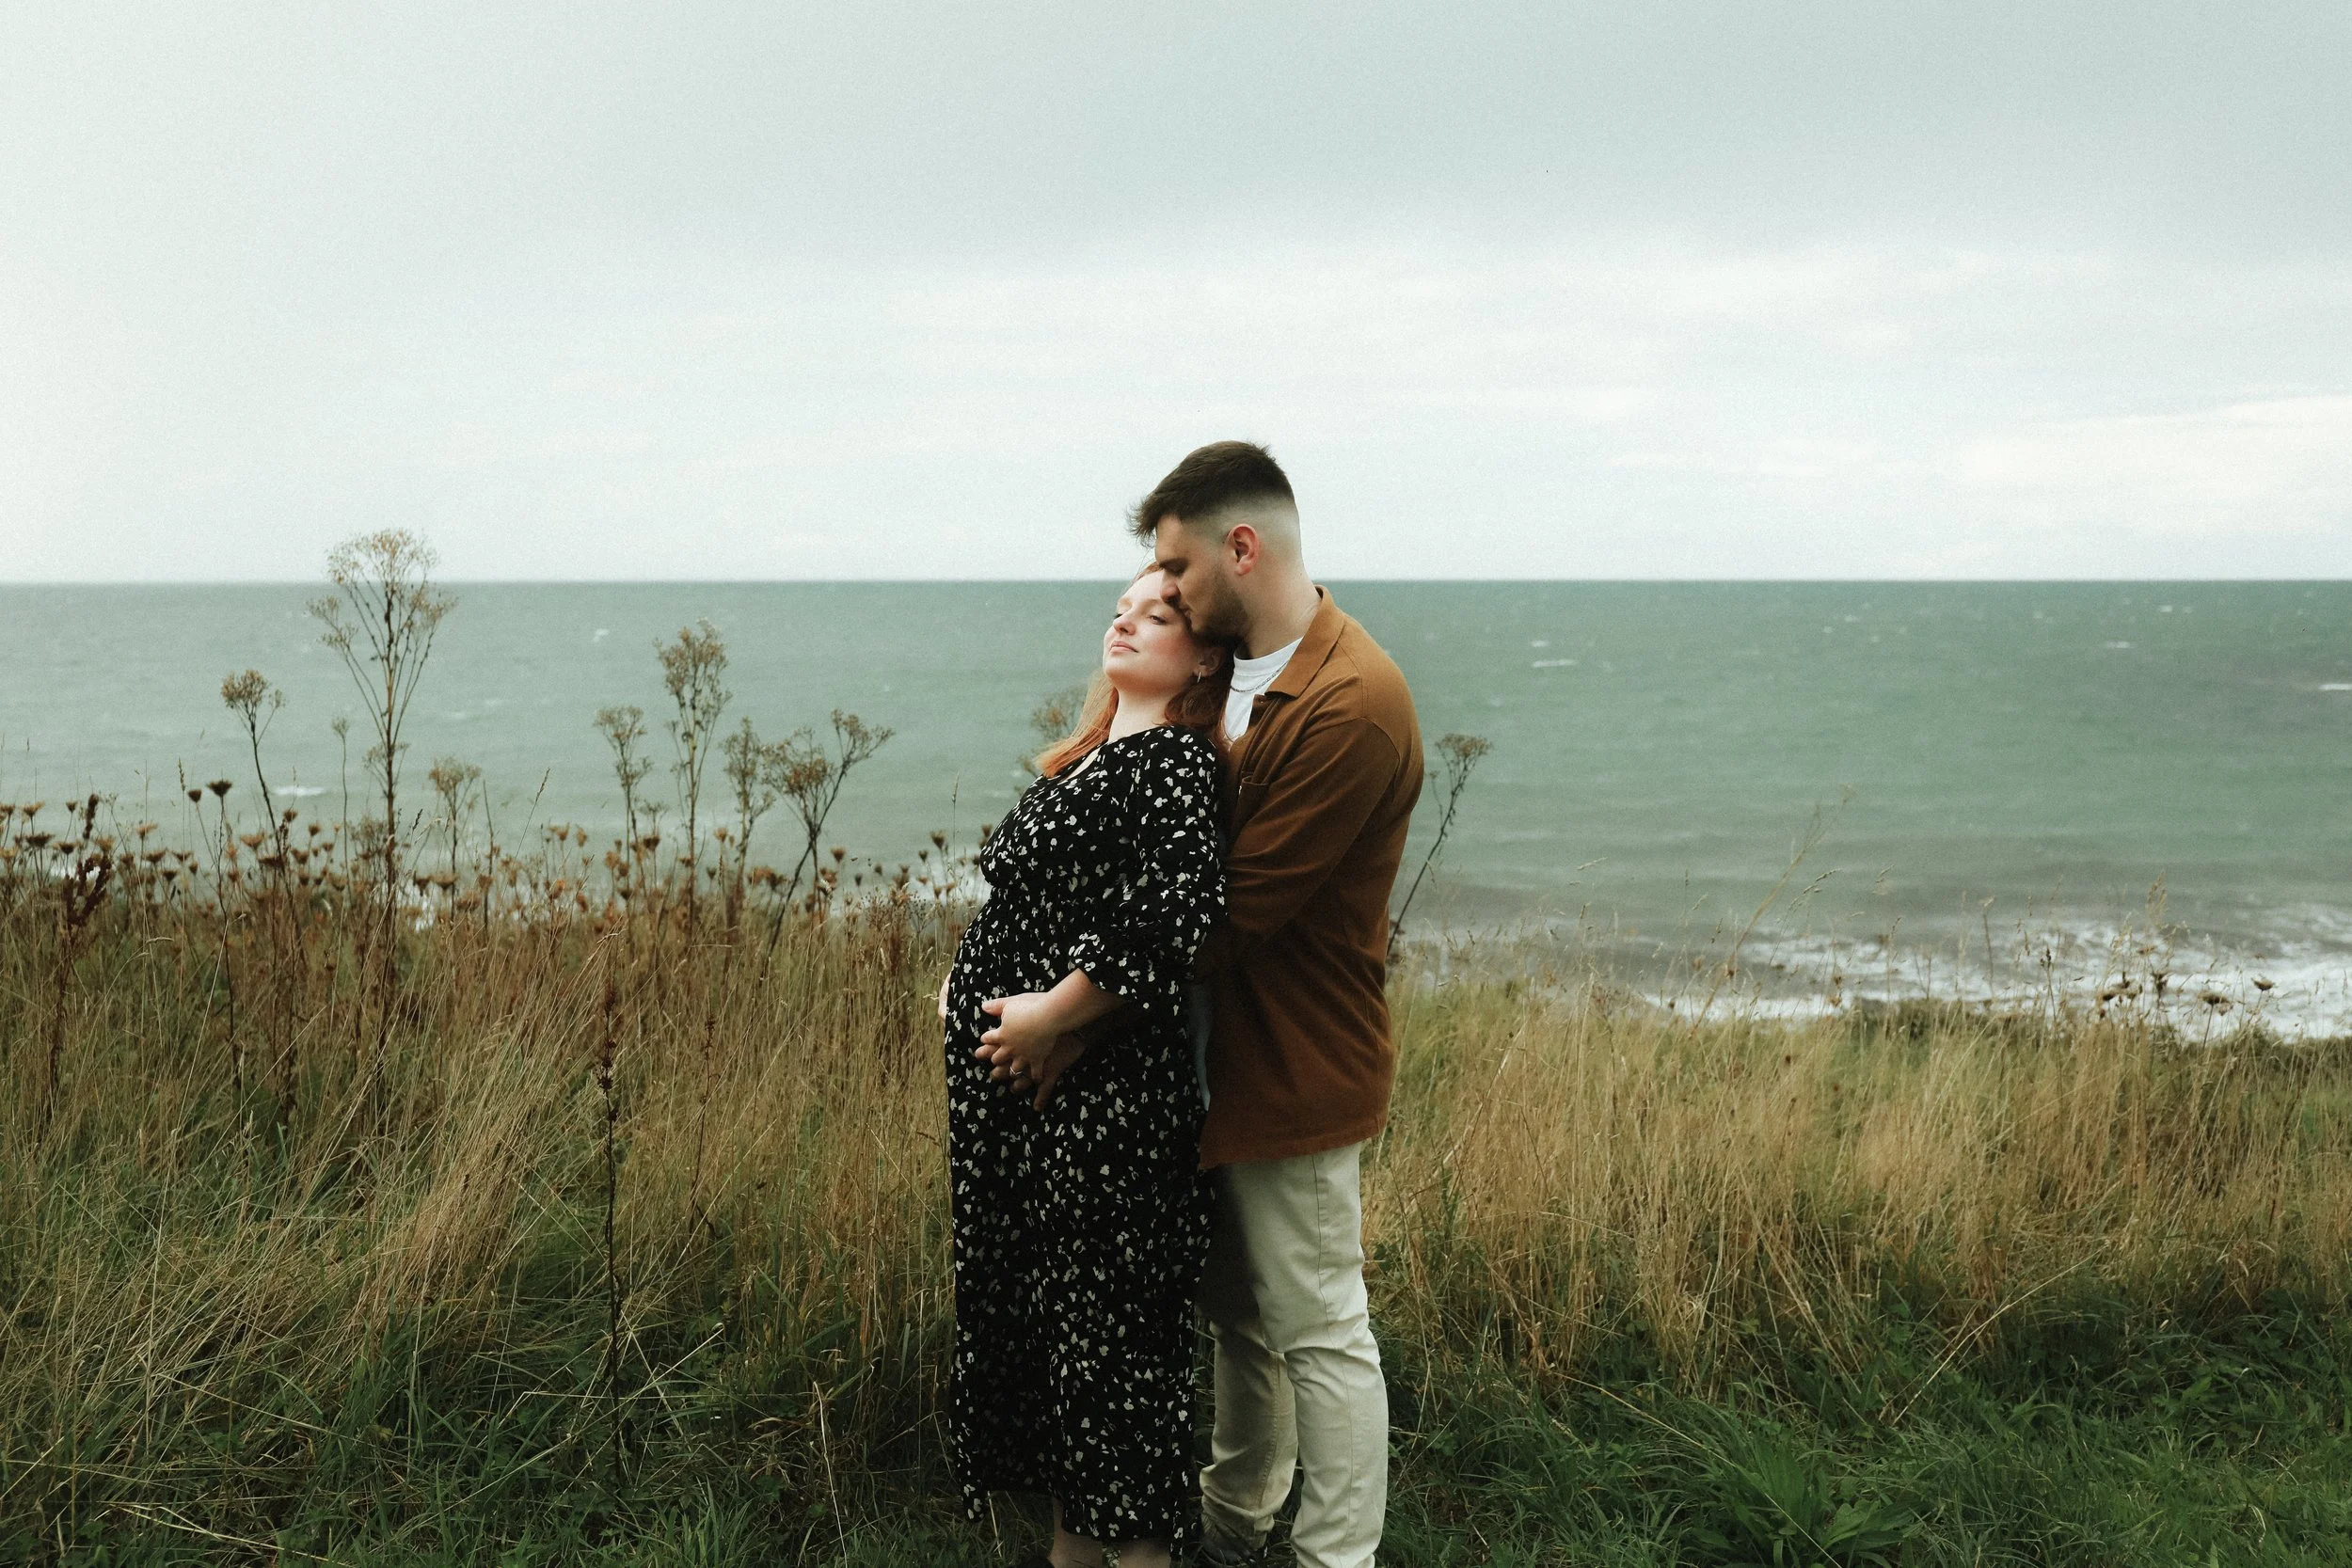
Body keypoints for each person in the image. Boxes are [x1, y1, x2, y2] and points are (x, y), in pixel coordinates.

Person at [1143, 441, 1423, 1568]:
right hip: (1210, 1058)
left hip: (1294, 1064)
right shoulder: (1224, 671)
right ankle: (1233, 1523)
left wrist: (1080, 988)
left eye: (1179, 566)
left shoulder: (1351, 700)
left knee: (1320, 1327)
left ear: (1240, 546)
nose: (1169, 590)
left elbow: (1230, 913)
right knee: (1240, 1317)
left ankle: (1333, 1557)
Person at [940, 568, 1232, 1568]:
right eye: (1121, 606)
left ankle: (1141, 1555)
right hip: (1035, 1110)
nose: (1126, 619)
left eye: (1159, 613)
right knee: (1062, 1337)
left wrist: (1050, 1020)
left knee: (1113, 1347)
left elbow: (1168, 925)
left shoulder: (1174, 765)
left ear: (1204, 655)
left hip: (1101, 1108)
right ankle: (1072, 1552)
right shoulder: (1093, 755)